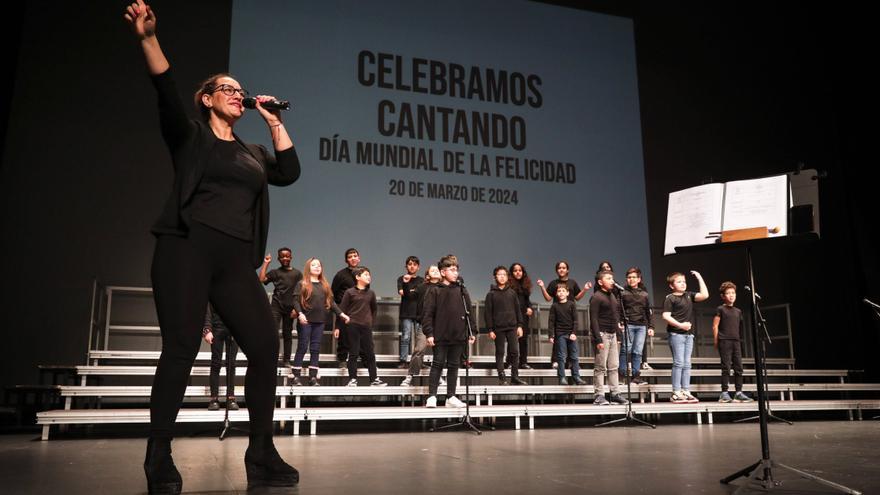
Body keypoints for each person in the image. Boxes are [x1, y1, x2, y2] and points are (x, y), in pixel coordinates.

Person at [125, 1, 301, 491]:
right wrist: (147, 38)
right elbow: (164, 91)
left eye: (240, 91)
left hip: (234, 260)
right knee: (181, 348)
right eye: (227, 88)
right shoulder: (192, 137)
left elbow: (288, 172)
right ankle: (158, 455)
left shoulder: (252, 153)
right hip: (187, 248)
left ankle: (261, 452)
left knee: (265, 349)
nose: (236, 94)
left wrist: (270, 119)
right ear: (206, 99)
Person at [422, 255, 476, 408]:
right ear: (443, 272)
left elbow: (469, 311)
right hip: (440, 334)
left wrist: (472, 331)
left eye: (456, 270)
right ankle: (432, 395)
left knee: (454, 365)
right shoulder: (434, 290)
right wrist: (429, 333)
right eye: (452, 270)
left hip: (458, 333)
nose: (456, 273)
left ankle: (450, 396)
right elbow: (427, 313)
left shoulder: (461, 289)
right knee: (437, 363)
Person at [292, 258, 349, 386]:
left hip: (320, 321)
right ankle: (295, 376)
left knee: (315, 348)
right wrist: (300, 314)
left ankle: (313, 377)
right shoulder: (302, 283)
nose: (317, 267)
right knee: (302, 346)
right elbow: (295, 300)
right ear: (308, 268)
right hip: (306, 320)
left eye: (319, 265)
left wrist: (341, 314)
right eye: (313, 265)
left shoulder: (325, 285)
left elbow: (331, 303)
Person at [662, 270, 709, 404]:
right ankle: (676, 392)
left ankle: (685, 390)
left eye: (684, 281)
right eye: (679, 282)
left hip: (688, 336)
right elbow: (666, 316)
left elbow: (705, 295)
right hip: (676, 334)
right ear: (672, 285)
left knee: (687, 364)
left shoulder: (689, 295)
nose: (683, 284)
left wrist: (699, 277)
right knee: (678, 363)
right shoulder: (670, 298)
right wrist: (681, 325)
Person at [336, 267, 386, 387]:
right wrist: (337, 327)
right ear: (357, 277)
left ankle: (374, 379)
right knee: (353, 352)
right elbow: (342, 310)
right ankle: (352, 379)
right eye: (366, 274)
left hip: (366, 326)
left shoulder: (371, 293)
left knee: (370, 353)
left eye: (369, 275)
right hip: (353, 326)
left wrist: (371, 323)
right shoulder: (349, 292)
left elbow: (374, 310)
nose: (368, 277)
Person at [537, 261, 591, 370]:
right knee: (557, 338)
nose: (561, 269)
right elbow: (548, 298)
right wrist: (542, 287)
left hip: (570, 313)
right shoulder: (553, 283)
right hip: (558, 313)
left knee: (571, 339)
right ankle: (555, 361)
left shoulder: (572, 283)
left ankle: (572, 362)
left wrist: (585, 289)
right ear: (557, 270)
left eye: (564, 267)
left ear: (567, 270)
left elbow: (577, 297)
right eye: (559, 268)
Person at [259, 247, 303, 366]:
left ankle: (287, 360)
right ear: (278, 258)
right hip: (276, 306)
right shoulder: (275, 272)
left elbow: (301, 292)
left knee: (287, 333)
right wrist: (266, 263)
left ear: (291, 257)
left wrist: (296, 309)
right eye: (282, 256)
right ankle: (272, 358)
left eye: (287, 256)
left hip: (291, 308)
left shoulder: (297, 274)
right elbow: (261, 279)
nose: (285, 258)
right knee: (273, 332)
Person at [589, 271, 628, 405]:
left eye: (612, 278)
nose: (612, 281)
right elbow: (593, 319)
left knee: (613, 366)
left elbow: (616, 317)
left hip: (613, 334)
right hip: (602, 334)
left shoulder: (613, 296)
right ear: (600, 282)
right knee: (600, 366)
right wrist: (598, 339)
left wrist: (618, 335)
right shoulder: (596, 297)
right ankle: (599, 395)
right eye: (608, 278)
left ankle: (615, 393)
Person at [484, 266, 526, 385]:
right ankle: (502, 377)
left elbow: (517, 310)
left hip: (512, 327)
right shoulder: (491, 294)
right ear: (495, 277)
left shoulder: (512, 293)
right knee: (500, 352)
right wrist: (490, 329)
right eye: (499, 274)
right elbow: (488, 313)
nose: (502, 277)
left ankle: (514, 376)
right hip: (498, 328)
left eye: (504, 274)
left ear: (507, 277)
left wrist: (520, 325)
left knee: (514, 352)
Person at [401, 265, 441, 386]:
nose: (435, 271)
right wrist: (406, 284)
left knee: (439, 353)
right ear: (428, 275)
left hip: (440, 324)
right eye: (432, 270)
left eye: (437, 270)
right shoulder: (422, 287)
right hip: (424, 323)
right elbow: (409, 296)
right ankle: (410, 376)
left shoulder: (443, 288)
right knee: (419, 350)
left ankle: (438, 377)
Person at [713, 282, 753, 403]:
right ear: (723, 296)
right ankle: (724, 393)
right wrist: (716, 341)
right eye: (728, 293)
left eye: (733, 293)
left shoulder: (738, 311)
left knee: (739, 367)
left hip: (736, 341)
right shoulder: (721, 309)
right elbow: (715, 326)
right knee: (726, 367)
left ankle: (738, 393)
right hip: (724, 341)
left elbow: (738, 327)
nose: (731, 295)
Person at [619, 267, 654, 386]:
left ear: (639, 279)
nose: (631, 279)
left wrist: (651, 326)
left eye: (634, 277)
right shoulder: (623, 292)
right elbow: (619, 309)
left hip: (641, 326)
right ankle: (621, 376)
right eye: (629, 277)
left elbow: (648, 311)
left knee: (637, 352)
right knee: (625, 350)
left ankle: (636, 377)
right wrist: (620, 322)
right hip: (628, 324)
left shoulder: (644, 294)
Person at [203, 304, 239, 411]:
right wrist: (207, 329)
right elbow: (208, 308)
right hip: (216, 326)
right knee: (216, 363)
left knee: (231, 364)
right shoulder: (214, 288)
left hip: (233, 328)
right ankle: (214, 399)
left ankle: (230, 398)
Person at [548, 285, 586, 386]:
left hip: (571, 334)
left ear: (567, 293)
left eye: (563, 291)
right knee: (561, 356)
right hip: (560, 334)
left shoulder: (571, 304)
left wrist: (573, 333)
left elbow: (575, 321)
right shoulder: (554, 306)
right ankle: (562, 377)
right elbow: (551, 322)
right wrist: (551, 335)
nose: (561, 293)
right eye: (559, 291)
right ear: (556, 293)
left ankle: (576, 376)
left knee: (574, 356)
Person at [331, 248, 362, 365]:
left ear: (359, 258)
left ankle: (357, 359)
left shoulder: (362, 273)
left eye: (355, 256)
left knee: (358, 335)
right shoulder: (340, 275)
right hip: (343, 309)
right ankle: (342, 359)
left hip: (358, 309)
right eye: (350, 256)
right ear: (346, 260)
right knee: (343, 336)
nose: (353, 258)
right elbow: (332, 292)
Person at [397, 256, 424, 368]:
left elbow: (419, 293)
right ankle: (403, 360)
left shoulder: (422, 280)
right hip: (406, 312)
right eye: (410, 264)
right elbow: (402, 292)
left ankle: (418, 361)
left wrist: (411, 291)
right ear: (406, 266)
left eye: (414, 264)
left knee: (420, 339)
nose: (412, 266)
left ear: (418, 267)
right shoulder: (401, 278)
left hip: (418, 312)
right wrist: (413, 291)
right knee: (406, 337)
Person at [508, 262, 534, 369]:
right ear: (512, 273)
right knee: (512, 340)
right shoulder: (509, 286)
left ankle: (523, 362)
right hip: (512, 315)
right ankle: (510, 362)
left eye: (520, 270)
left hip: (523, 316)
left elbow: (527, 301)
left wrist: (530, 308)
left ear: (523, 272)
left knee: (523, 340)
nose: (518, 272)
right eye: (515, 270)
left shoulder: (525, 286)